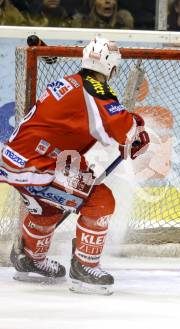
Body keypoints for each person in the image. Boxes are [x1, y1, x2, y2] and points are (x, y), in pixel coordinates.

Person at [0, 37, 149, 295]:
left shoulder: (70, 82)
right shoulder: (96, 89)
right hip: (39, 167)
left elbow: (105, 119)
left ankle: (30, 259)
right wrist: (137, 135)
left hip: (14, 162)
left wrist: (130, 125)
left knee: (49, 204)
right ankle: (84, 267)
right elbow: (122, 130)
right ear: (112, 68)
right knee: (100, 201)